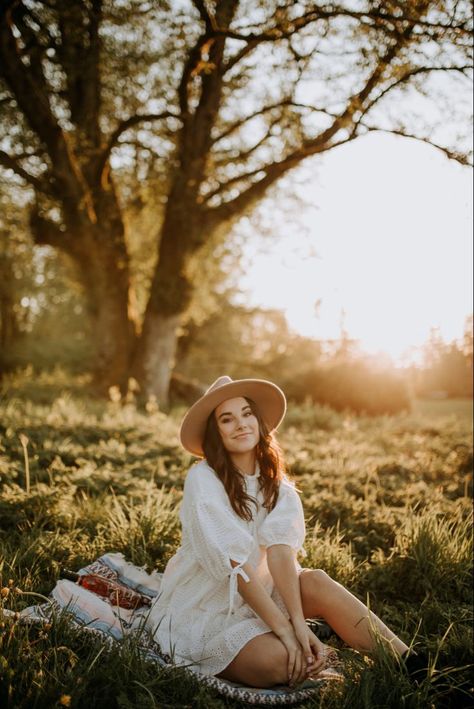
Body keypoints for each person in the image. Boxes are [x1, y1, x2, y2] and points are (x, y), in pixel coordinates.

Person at [147, 376, 413, 689]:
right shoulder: (203, 479)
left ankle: (412, 665)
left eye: (246, 413)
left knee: (316, 581)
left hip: (267, 590)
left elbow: (281, 552)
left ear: (258, 421)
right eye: (227, 419)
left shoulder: (275, 482)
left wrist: (298, 624)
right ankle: (287, 638)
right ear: (215, 432)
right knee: (279, 661)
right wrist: (286, 632)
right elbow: (236, 567)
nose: (241, 424)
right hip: (211, 604)